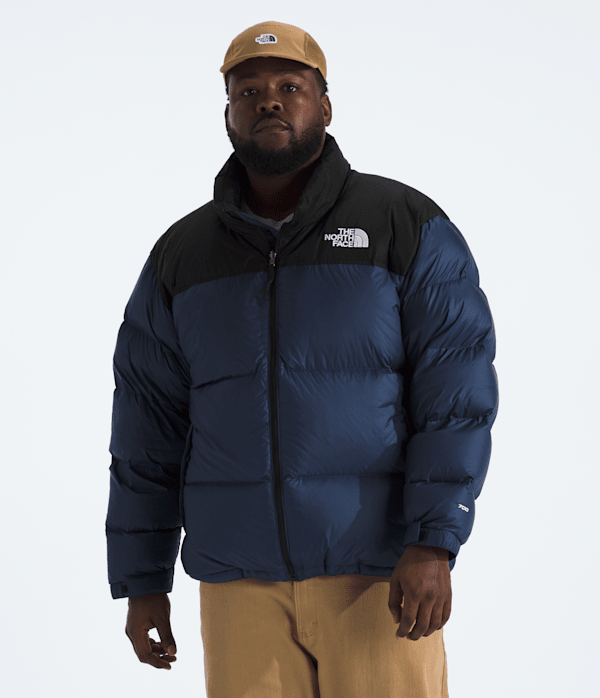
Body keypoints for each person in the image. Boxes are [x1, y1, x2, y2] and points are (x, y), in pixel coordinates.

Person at [106, 20, 499, 698]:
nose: (269, 100)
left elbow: (456, 396)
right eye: (247, 90)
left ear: (325, 105)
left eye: (291, 86)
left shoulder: (403, 224)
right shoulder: (182, 255)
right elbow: (147, 426)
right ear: (227, 114)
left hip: (375, 576)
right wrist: (143, 581)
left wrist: (434, 541)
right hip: (239, 585)